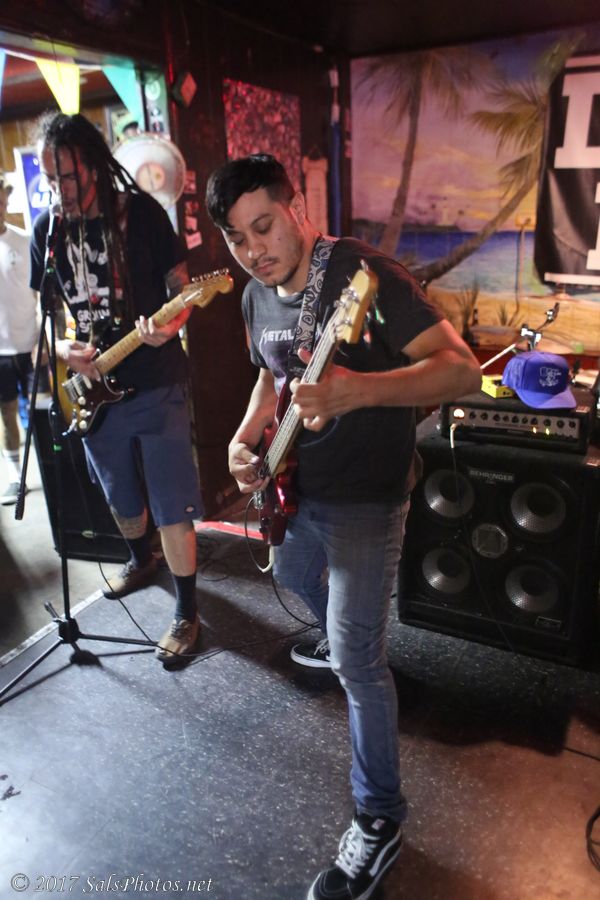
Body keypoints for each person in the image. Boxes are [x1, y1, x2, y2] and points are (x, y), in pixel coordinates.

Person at [205, 154, 481, 900]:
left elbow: (461, 370)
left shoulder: (365, 278)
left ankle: (379, 819)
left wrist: (358, 391)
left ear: (298, 207)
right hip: (297, 491)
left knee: (359, 664)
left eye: (265, 226)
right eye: (236, 239)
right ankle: (344, 629)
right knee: (295, 577)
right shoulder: (255, 295)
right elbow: (270, 374)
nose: (255, 250)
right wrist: (243, 438)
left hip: (365, 499)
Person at [30, 112, 203, 665]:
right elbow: (46, 320)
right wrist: (65, 351)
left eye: (68, 177)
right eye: (50, 179)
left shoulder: (142, 215)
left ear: (94, 166)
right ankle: (140, 559)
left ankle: (187, 611)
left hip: (155, 381)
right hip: (93, 388)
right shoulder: (47, 232)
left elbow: (183, 293)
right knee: (119, 495)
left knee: (171, 503)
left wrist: (168, 327)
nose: (60, 190)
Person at [0, 173, 41, 505]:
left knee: (43, 410)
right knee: (7, 413)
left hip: (30, 345)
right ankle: (16, 478)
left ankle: (54, 469)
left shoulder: (25, 241)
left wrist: (45, 340)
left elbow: (42, 294)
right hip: (0, 351)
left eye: (0, 202)